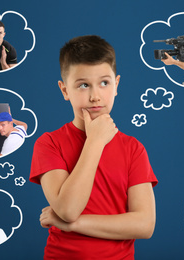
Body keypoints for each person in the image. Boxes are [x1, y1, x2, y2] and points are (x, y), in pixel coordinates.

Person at [29, 35, 158, 259]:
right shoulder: (49, 143)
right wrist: (95, 141)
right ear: (65, 90)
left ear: (116, 85)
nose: (95, 96)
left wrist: (72, 224)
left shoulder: (133, 148)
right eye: (83, 85)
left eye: (104, 83)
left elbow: (144, 224)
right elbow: (68, 209)